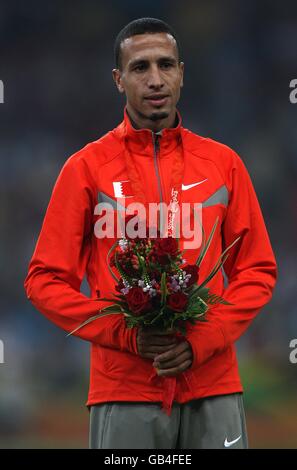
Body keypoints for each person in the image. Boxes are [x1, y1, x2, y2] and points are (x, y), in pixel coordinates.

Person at [24, 17, 277, 449]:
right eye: (140, 68)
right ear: (118, 80)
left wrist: (205, 340)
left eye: (166, 65)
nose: (155, 79)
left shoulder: (224, 164)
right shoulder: (85, 169)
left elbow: (257, 270)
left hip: (213, 384)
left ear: (182, 73)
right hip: (124, 389)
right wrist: (124, 335)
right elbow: (44, 281)